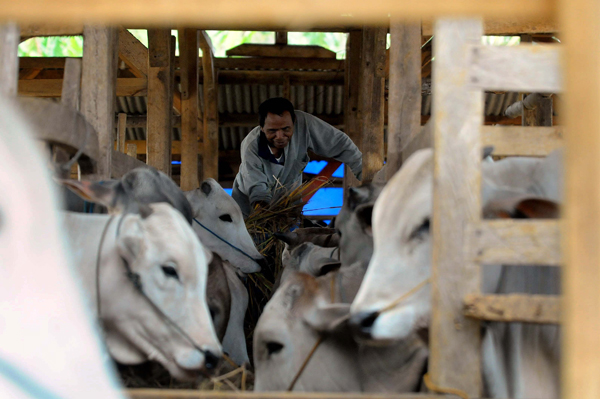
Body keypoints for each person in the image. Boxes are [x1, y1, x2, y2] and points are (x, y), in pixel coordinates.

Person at [232, 97, 362, 218]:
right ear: (262, 128)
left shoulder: (304, 124)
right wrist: (264, 218)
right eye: (272, 131)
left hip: (289, 212)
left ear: (294, 121)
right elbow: (257, 190)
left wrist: (364, 173)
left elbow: (339, 143)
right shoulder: (250, 147)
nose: (280, 136)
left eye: (286, 129)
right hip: (250, 214)